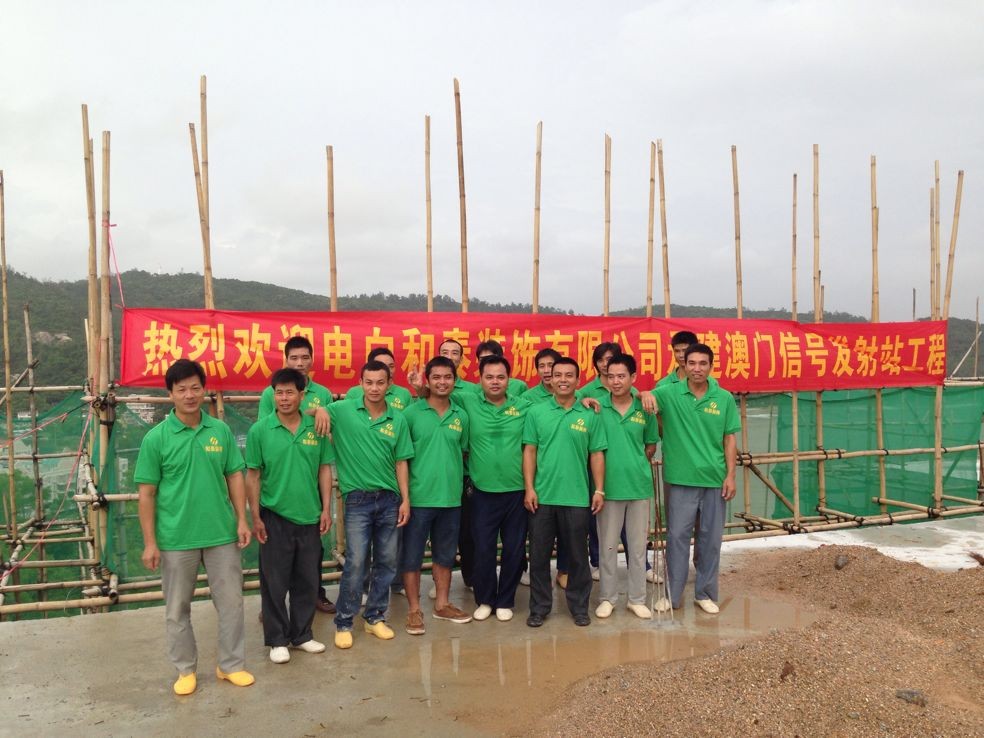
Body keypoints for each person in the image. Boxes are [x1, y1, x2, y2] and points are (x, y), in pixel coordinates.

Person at [135, 359, 253, 696]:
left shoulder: (220, 431)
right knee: (177, 609)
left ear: (204, 390)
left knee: (231, 603)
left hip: (221, 533)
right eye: (182, 389)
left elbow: (235, 475)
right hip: (176, 538)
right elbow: (147, 494)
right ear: (170, 394)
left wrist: (241, 519)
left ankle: (230, 665)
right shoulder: (156, 439)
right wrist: (150, 542)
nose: (189, 395)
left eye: (195, 388)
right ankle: (185, 670)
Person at [245, 368, 334, 663]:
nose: (284, 398)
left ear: (301, 394)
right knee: (274, 582)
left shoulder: (316, 427)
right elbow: (253, 476)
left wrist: (326, 508)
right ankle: (277, 640)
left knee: (307, 580)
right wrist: (255, 516)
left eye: (290, 392)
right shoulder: (260, 431)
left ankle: (302, 635)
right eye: (279, 393)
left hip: (310, 515)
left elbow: (324, 469)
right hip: (274, 515)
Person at [327, 360, 414, 649]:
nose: (374, 388)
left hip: (390, 500)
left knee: (387, 562)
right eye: (369, 382)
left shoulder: (397, 419)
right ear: (360, 383)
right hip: (357, 500)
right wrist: (320, 411)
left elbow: (401, 462)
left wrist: (405, 500)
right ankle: (344, 622)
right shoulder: (343, 410)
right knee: (356, 562)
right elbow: (312, 411)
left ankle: (375, 617)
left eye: (380, 382)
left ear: (390, 384)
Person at [653, 343, 740, 614]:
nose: (697, 368)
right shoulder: (668, 393)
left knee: (710, 540)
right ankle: (672, 595)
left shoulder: (723, 398)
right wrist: (643, 394)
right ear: (684, 364)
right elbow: (638, 396)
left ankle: (704, 593)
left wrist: (731, 475)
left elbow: (729, 439)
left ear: (711, 366)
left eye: (703, 363)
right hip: (680, 479)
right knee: (677, 538)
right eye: (692, 363)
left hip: (714, 480)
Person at [523, 356, 607, 627]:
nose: (562, 380)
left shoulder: (589, 413)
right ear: (550, 378)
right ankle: (539, 608)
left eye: (568, 375)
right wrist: (529, 488)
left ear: (577, 380)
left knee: (577, 557)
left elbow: (596, 453)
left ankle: (579, 607)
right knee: (539, 556)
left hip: (576, 497)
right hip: (542, 497)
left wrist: (599, 490)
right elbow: (530, 451)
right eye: (557, 374)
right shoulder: (536, 412)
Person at [256, 335, 335, 615]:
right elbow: (268, 427)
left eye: (304, 358)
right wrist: (312, 410)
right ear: (285, 359)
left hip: (310, 483)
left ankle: (314, 596)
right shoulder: (271, 393)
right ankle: (272, 608)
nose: (300, 363)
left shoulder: (323, 394)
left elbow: (327, 437)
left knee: (312, 553)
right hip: (279, 484)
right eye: (294, 358)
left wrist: (322, 409)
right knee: (275, 559)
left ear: (312, 360)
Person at [400, 357, 472, 634]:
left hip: (451, 499)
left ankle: (442, 604)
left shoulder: (461, 415)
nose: (442, 382)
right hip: (418, 499)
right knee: (412, 556)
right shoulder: (410, 414)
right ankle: (413, 610)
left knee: (445, 555)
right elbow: (401, 458)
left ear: (454, 380)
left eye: (447, 377)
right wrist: (405, 497)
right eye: (437, 377)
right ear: (427, 381)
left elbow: (462, 451)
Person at [456, 355, 530, 622]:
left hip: (517, 491)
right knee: (483, 548)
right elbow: (436, 396)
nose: (495, 382)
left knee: (514, 548)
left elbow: (558, 402)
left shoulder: (524, 406)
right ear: (480, 379)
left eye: (500, 377)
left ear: (509, 379)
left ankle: (506, 600)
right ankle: (486, 599)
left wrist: (586, 400)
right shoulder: (467, 401)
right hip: (482, 492)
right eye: (489, 377)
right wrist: (420, 388)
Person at [595, 355, 661, 619]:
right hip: (607, 489)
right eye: (610, 376)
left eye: (621, 376)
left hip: (639, 487)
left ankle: (636, 598)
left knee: (637, 547)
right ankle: (607, 598)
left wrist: (633, 464)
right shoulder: (596, 407)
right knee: (607, 547)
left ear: (633, 377)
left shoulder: (645, 409)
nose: (615, 381)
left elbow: (650, 445)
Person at [345, 347, 413, 412]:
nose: (388, 370)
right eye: (382, 366)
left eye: (391, 366)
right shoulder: (354, 393)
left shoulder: (404, 394)